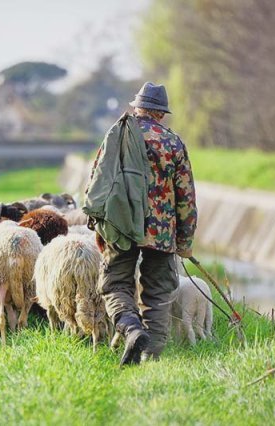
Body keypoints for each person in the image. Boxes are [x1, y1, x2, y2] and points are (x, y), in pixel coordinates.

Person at [97, 82, 197, 366]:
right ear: (161, 114)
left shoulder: (117, 133)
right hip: (162, 233)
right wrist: (185, 242)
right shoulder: (173, 142)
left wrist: (99, 225)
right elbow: (186, 197)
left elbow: (98, 180)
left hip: (121, 225)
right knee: (158, 293)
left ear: (136, 107)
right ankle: (150, 358)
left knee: (116, 285)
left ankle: (130, 329)